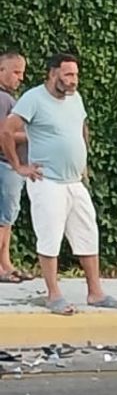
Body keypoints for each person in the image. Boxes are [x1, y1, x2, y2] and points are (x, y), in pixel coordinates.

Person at [0, 53, 117, 315]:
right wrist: (18, 166)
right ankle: (53, 294)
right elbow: (7, 131)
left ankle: (95, 292)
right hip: (47, 181)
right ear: (53, 73)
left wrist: (84, 160)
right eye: (68, 75)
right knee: (50, 237)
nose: (73, 81)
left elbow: (81, 126)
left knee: (88, 233)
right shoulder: (34, 98)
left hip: (74, 181)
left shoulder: (75, 99)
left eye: (76, 75)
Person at [0, 52, 32, 283]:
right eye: (16, 72)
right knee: (3, 218)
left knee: (7, 218)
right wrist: (33, 134)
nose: (20, 78)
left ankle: (6, 264)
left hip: (9, 167)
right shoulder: (2, 99)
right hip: (5, 165)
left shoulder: (8, 98)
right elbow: (3, 134)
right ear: (1, 71)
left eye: (22, 72)